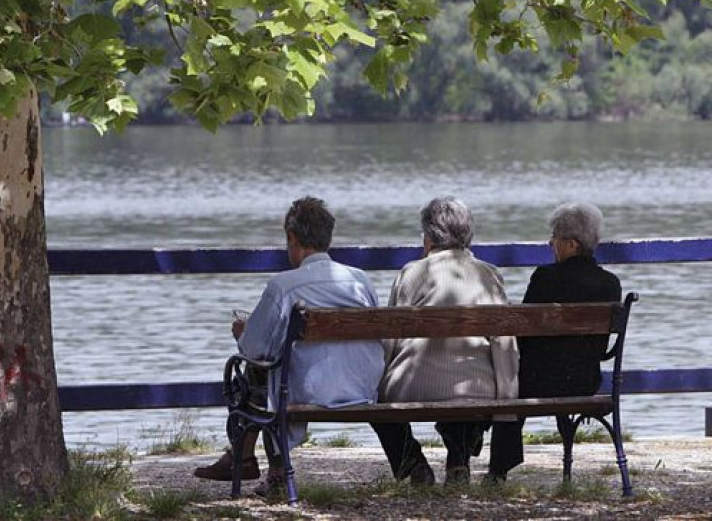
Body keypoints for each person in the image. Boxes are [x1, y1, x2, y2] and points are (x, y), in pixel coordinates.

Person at [194, 196, 384, 495]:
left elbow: (254, 349)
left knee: (261, 372)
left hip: (307, 392)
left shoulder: (284, 285)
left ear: (292, 238)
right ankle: (245, 460)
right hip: (363, 386)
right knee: (271, 369)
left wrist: (241, 332)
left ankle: (255, 463)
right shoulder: (361, 281)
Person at [372, 196, 521, 486]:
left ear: (429, 237)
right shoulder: (488, 275)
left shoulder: (411, 273)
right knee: (469, 379)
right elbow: (504, 343)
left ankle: (414, 464)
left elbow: (390, 339)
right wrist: (507, 398)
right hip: (478, 388)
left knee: (378, 404)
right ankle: (458, 460)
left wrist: (376, 385)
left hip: (411, 387)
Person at [519, 203, 622, 397]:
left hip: (537, 380)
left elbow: (523, 334)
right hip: (586, 382)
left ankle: (509, 428)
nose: (551, 243)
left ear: (572, 244)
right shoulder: (610, 283)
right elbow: (601, 349)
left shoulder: (545, 278)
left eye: (555, 236)